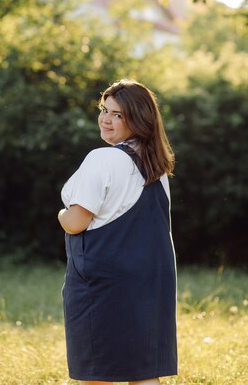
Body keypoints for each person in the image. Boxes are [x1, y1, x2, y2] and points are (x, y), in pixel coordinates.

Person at [58, 79, 177, 385]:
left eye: (117, 115)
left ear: (138, 119)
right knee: (144, 373)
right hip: (152, 282)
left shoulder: (103, 159)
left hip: (104, 286)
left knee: (99, 375)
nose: (105, 119)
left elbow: (75, 222)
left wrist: (60, 212)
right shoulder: (157, 168)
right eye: (104, 110)